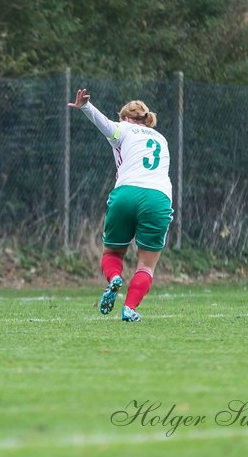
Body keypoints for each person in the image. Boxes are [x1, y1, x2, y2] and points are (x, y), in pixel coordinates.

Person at [69, 89, 173, 323]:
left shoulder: (124, 128)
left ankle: (115, 277)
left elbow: (105, 125)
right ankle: (129, 308)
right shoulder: (161, 139)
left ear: (126, 118)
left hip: (126, 193)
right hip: (159, 198)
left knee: (113, 252)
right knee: (146, 265)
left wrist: (85, 107)